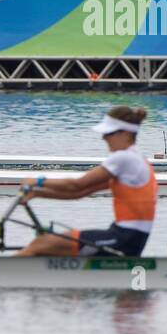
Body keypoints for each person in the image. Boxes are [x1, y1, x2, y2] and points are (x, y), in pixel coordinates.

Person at [15, 106, 157, 257]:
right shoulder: (137, 158)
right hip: (129, 238)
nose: (103, 138)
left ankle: (3, 277)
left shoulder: (124, 158)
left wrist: (37, 181)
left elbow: (77, 184)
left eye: (108, 133)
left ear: (126, 133)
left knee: (41, 243)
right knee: (46, 244)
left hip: (123, 239)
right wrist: (38, 194)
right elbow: (80, 192)